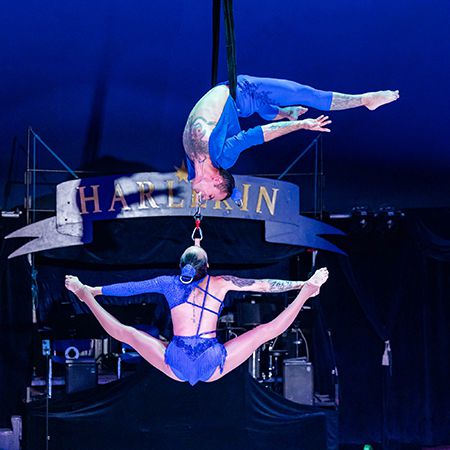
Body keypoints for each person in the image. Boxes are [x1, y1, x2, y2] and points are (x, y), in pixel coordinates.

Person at [65, 245, 329, 385]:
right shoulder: (221, 282)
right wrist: (300, 285)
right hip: (210, 358)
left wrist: (95, 290)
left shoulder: (168, 283)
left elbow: (131, 288)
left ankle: (85, 296)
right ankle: (307, 292)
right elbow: (264, 285)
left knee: (128, 334)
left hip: (177, 358)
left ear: (181, 266)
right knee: (263, 332)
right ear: (208, 266)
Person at [183, 74, 399, 203]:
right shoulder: (222, 158)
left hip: (239, 96)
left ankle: (288, 112)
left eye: (209, 198)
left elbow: (194, 180)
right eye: (209, 197)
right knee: (303, 94)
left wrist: (228, 192)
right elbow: (259, 134)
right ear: (217, 180)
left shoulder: (194, 167)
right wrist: (300, 125)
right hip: (243, 92)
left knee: (279, 104)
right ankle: (365, 100)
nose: (203, 198)